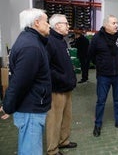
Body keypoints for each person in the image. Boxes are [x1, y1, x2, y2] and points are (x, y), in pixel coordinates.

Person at [0, 8, 52, 155]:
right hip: (31, 109)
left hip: (31, 106)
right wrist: (8, 106)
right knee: (31, 151)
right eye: (46, 21)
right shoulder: (31, 46)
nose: (49, 25)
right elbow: (19, 82)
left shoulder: (31, 41)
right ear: (36, 23)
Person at [89, 15, 118, 137]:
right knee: (101, 101)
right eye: (113, 23)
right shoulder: (97, 38)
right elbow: (91, 55)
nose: (116, 25)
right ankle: (98, 124)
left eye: (117, 22)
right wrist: (101, 65)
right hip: (103, 76)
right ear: (106, 25)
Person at [46, 14, 77, 155]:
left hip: (67, 87)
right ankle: (52, 149)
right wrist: (63, 78)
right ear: (57, 25)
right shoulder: (49, 41)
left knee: (66, 117)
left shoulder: (62, 41)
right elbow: (46, 68)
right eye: (66, 23)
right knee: (54, 120)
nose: (68, 26)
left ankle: (63, 141)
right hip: (57, 89)